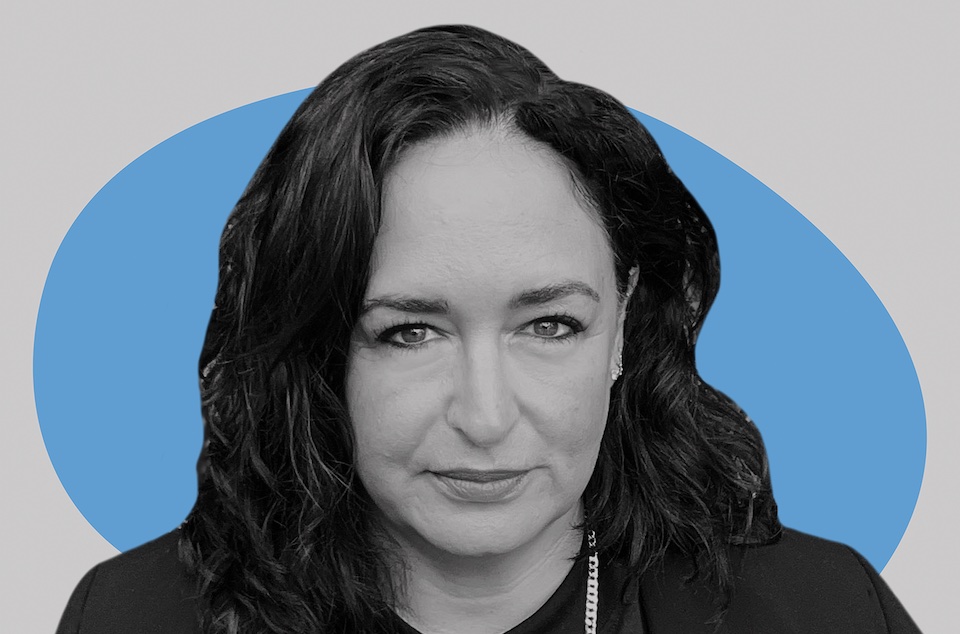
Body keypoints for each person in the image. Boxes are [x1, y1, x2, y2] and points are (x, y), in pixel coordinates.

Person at [56, 24, 921, 634]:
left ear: (623, 324)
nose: (485, 415)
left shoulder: (824, 610)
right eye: (409, 333)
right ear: (321, 344)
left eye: (550, 325)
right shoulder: (131, 617)